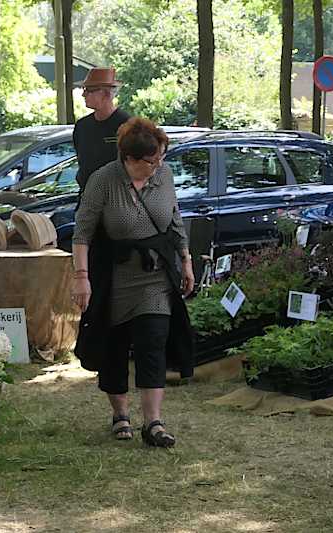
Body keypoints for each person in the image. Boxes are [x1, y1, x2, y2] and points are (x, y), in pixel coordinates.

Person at [71, 117, 195, 447]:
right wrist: (82, 278)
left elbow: (175, 219)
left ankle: (153, 422)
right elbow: (81, 233)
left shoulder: (163, 176)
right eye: (150, 162)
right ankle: (120, 413)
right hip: (113, 274)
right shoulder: (103, 181)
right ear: (129, 158)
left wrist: (186, 260)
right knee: (114, 347)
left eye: (160, 159)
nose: (157, 167)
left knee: (153, 340)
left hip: (155, 275)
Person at [73, 67, 131, 193]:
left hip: (118, 200)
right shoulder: (82, 126)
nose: (83, 94)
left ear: (106, 94)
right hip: (87, 198)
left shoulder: (128, 126)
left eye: (89, 90)